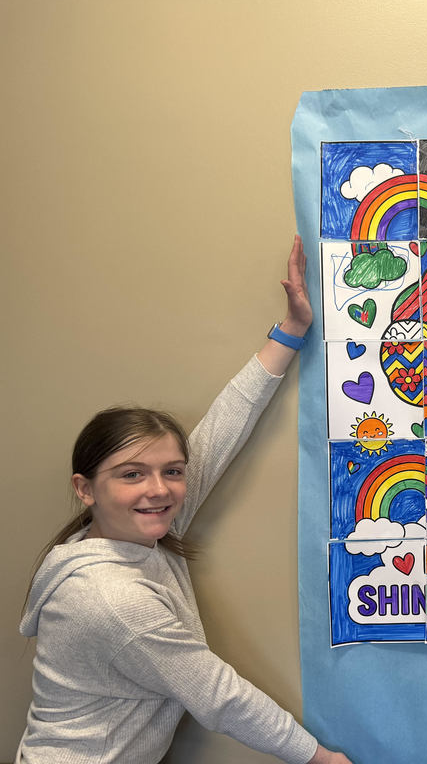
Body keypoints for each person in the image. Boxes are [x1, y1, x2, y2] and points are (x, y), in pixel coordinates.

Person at [17, 237, 351, 764]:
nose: (160, 489)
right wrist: (321, 759)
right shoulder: (110, 597)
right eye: (132, 474)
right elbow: (219, 696)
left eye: (172, 472)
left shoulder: (143, 527)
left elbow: (221, 430)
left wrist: (292, 329)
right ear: (86, 488)